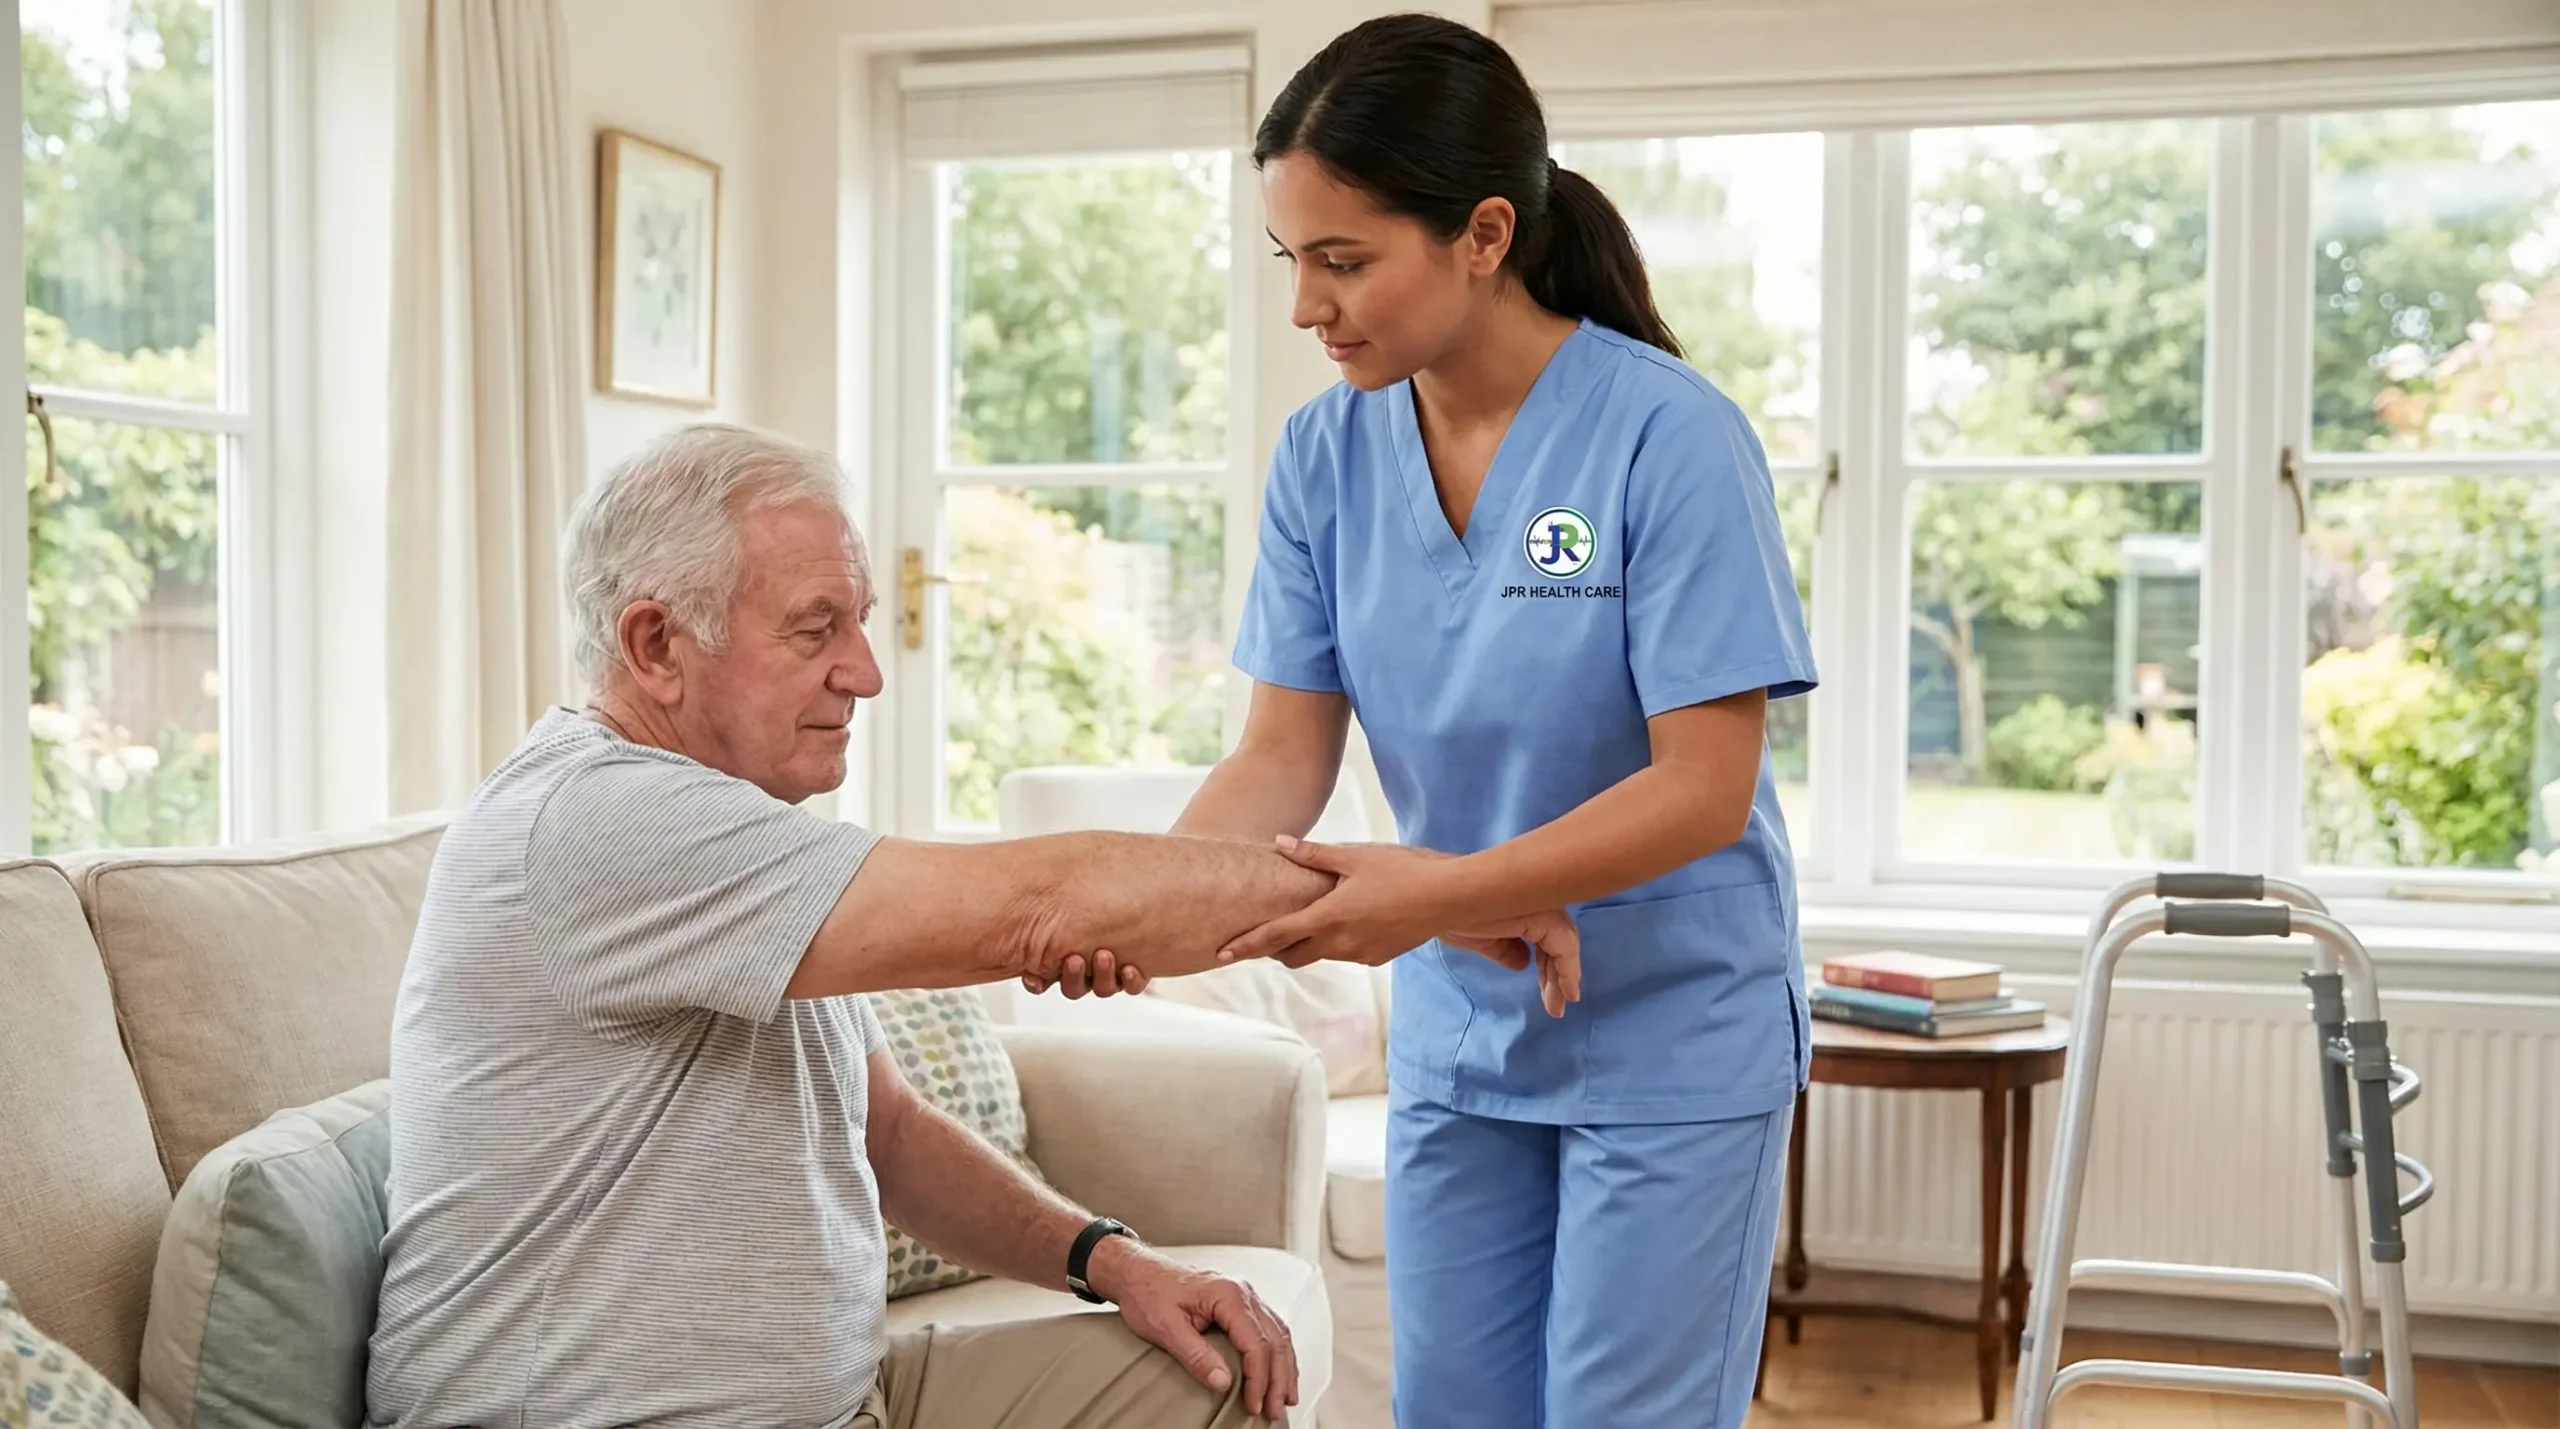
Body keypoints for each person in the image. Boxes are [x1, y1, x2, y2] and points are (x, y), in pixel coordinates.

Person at [365, 422, 1578, 1429]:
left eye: (859, 620)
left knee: (1218, 1378)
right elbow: (1036, 904)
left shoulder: (742, 835)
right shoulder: (601, 822)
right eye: (813, 628)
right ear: (654, 644)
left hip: (839, 1399)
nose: (866, 672)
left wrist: (1117, 1261)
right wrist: (1431, 896)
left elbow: (884, 1129)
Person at [1170, 14, 1818, 1429]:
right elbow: (1283, 752)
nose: (1307, 307)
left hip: (1674, 1029)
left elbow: (1704, 786)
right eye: (1293, 261)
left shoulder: (1668, 437)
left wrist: (1440, 893)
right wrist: (1146, 893)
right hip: (1469, 1029)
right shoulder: (1325, 454)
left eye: (1345, 262)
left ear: (1481, 233)